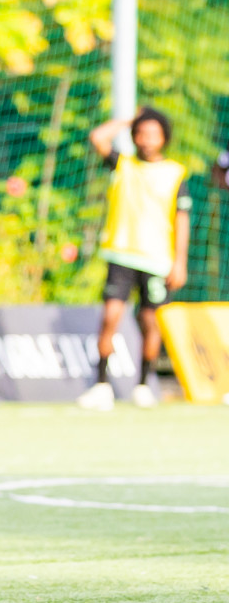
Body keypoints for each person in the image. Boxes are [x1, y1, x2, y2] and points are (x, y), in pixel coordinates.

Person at [77, 108, 191, 411]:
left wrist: (180, 262)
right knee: (110, 318)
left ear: (164, 137)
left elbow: (182, 220)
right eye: (141, 133)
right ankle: (101, 385)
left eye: (153, 133)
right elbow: (98, 137)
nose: (147, 139)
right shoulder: (123, 165)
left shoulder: (175, 173)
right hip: (122, 254)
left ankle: (143, 384)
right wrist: (130, 117)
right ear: (134, 136)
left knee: (150, 322)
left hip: (157, 260)